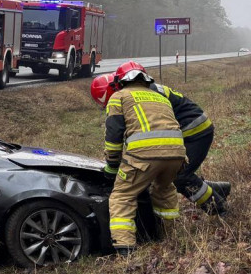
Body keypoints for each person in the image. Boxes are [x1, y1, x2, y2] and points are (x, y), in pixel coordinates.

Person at [91, 65, 229, 214]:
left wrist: (116, 164)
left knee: (180, 177)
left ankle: (219, 209)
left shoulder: (141, 93)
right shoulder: (142, 88)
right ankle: (220, 189)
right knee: (166, 171)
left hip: (194, 131)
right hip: (186, 130)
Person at [100, 61, 187, 256]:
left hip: (143, 157)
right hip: (177, 155)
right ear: (145, 80)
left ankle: (125, 249)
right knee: (164, 190)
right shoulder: (160, 97)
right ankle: (170, 236)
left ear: (120, 82)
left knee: (122, 196)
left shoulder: (118, 97)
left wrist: (112, 166)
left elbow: (114, 137)